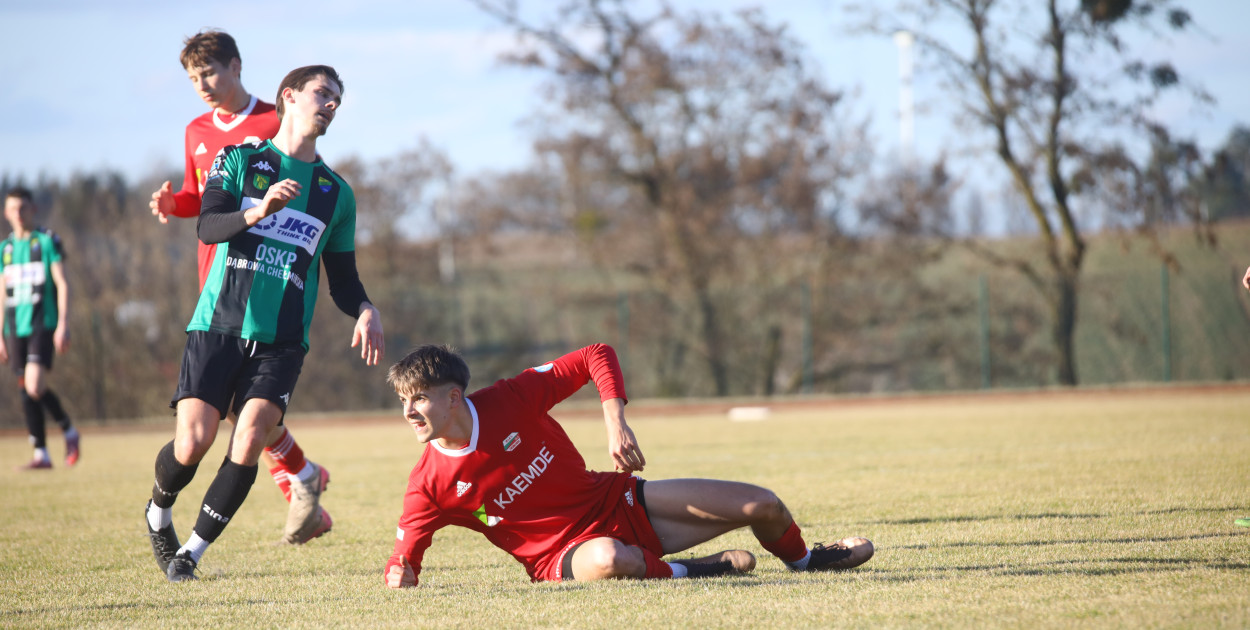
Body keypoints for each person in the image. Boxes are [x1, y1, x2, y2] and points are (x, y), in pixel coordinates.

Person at [146, 64, 385, 582]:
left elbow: (342, 278)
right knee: (192, 443)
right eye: (322, 93)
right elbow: (209, 227)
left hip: (281, 342)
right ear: (289, 97)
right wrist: (258, 211)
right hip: (218, 325)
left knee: (251, 434)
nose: (331, 104)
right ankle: (157, 512)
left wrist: (365, 308)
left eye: (338, 98)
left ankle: (190, 554)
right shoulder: (240, 159)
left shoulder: (335, 193)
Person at [382, 343, 873, 588]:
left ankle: (807, 561)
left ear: (452, 396)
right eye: (403, 401)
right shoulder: (428, 484)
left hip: (617, 500)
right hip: (564, 556)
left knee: (762, 504)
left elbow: (597, 353)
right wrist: (399, 572)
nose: (408, 412)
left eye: (417, 399)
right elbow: (404, 559)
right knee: (610, 560)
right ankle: (695, 570)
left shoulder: (508, 399)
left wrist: (615, 421)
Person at [148, 29, 331, 545]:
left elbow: (307, 187)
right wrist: (174, 205)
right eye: (192, 78)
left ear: (236, 66)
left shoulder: (278, 117)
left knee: (246, 411)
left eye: (209, 72)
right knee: (233, 411)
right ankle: (302, 476)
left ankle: (299, 479)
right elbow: (201, 198)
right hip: (216, 278)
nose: (202, 84)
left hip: (267, 279)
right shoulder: (196, 131)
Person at [1, 187, 79, 470]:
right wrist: (0, 334)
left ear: (33, 209)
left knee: (33, 385)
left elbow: (62, 283)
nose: (18, 214)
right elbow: (2, 292)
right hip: (14, 328)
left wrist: (63, 323)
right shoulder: (5, 250)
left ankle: (69, 431)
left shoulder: (46, 241)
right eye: (12, 209)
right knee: (27, 388)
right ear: (6, 213)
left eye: (23, 208)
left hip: (41, 324)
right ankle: (41, 453)